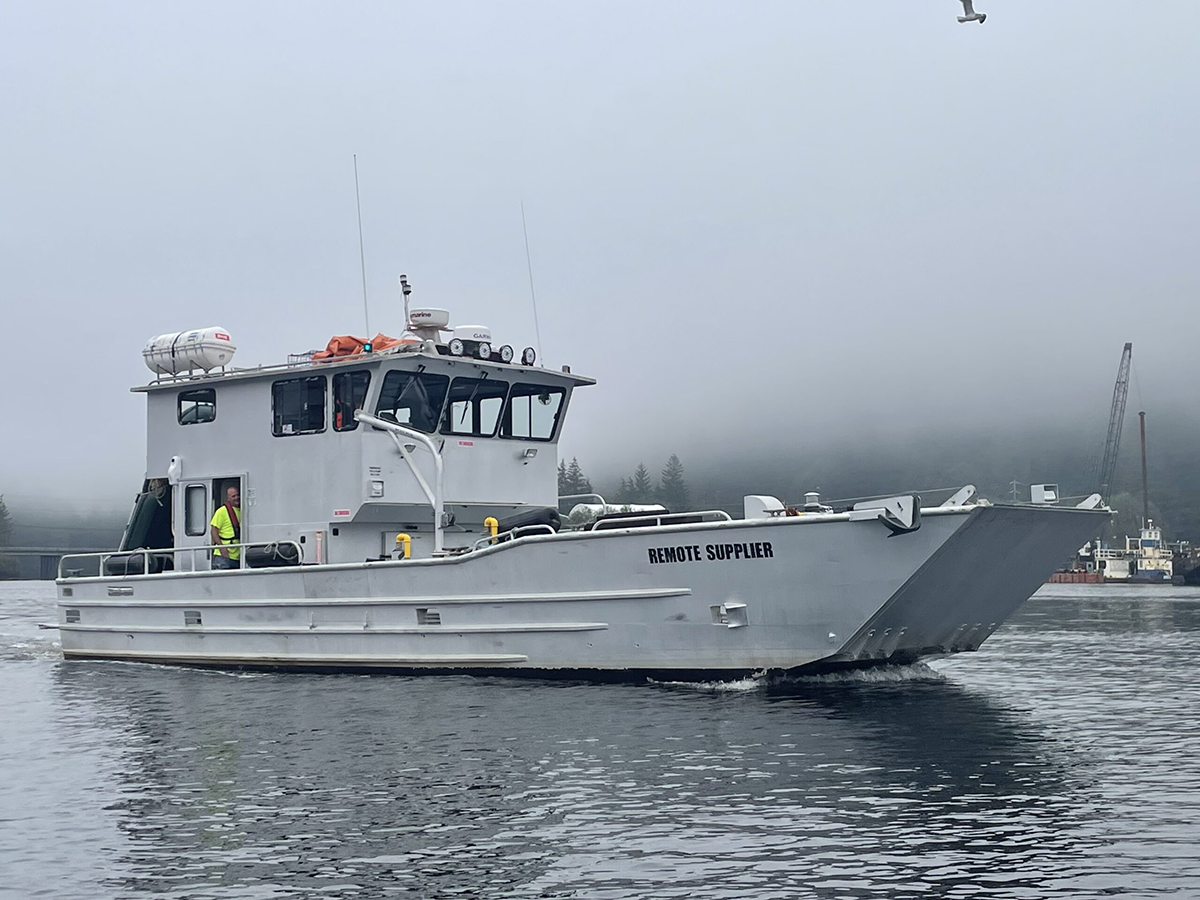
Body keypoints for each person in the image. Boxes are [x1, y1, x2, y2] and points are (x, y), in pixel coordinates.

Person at [210, 485, 242, 570]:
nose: (236, 498)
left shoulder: (243, 510)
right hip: (223, 556)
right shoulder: (221, 511)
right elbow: (213, 531)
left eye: (238, 495)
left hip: (238, 556)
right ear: (228, 498)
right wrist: (221, 547)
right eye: (233, 496)